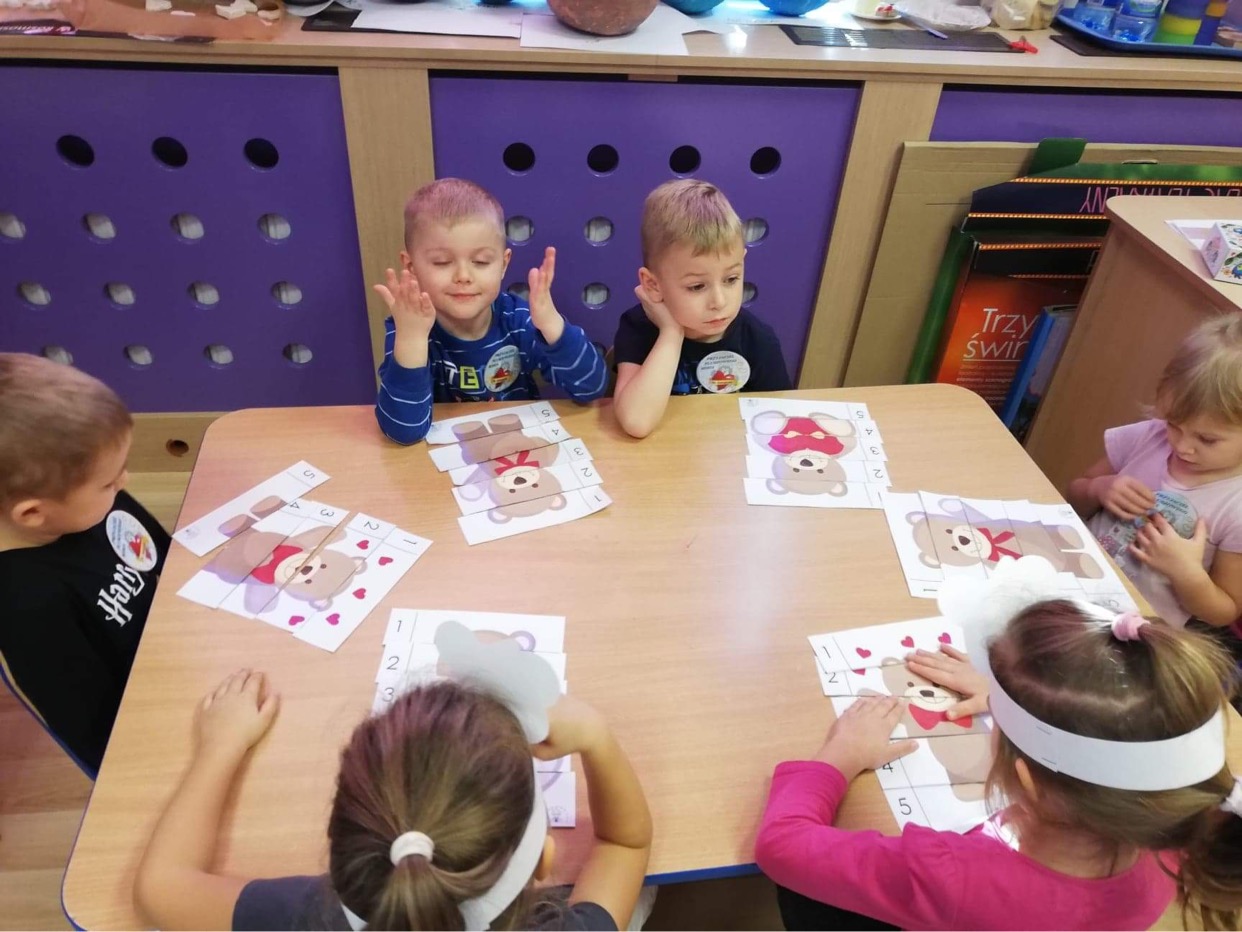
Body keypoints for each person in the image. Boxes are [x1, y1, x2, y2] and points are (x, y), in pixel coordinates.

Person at [756, 560, 1242, 931]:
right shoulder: (1179, 835)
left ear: (1026, 780)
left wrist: (840, 758)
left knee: (805, 896)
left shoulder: (950, 876)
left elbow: (781, 846)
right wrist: (1020, 699)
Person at [134, 671, 652, 930]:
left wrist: (220, 747)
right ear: (542, 858)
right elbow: (624, 844)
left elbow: (160, 888)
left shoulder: (309, 916)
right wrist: (596, 737)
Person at [0, 353, 168, 776]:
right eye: (110, 482)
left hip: (182, 644)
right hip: (157, 721)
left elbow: (162, 555)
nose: (124, 482)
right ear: (32, 513)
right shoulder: (27, 607)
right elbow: (104, 739)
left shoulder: (87, 502)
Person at [373, 178, 608, 446]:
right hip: (441, 458)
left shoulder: (518, 320)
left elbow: (591, 388)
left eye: (481, 261)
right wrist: (412, 340)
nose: (463, 276)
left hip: (515, 448)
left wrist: (552, 324)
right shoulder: (408, 328)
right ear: (411, 267)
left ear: (503, 264)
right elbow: (403, 431)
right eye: (442, 262)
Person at [1067, 313, 1242, 643]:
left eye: (1207, 439)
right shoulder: (1149, 436)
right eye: (1174, 424)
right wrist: (1099, 489)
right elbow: (1073, 497)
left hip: (1134, 634)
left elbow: (1224, 610)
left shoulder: (1236, 506)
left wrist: (1185, 573)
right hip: (1070, 581)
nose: (1182, 446)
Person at [611, 179, 791, 439]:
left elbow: (775, 425)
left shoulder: (757, 339)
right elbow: (636, 422)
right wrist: (671, 333)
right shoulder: (637, 328)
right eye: (697, 286)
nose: (719, 301)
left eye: (731, 279)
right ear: (652, 284)